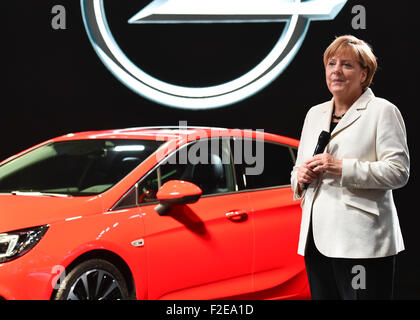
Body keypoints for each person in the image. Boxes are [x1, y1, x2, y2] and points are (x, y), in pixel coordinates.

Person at [290, 35, 410, 299]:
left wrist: (342, 167)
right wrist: (300, 176)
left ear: (364, 74)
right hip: (316, 241)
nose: (336, 70)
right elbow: (297, 169)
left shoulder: (382, 111)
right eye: (331, 63)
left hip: (362, 242)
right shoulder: (315, 114)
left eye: (347, 65)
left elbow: (398, 171)